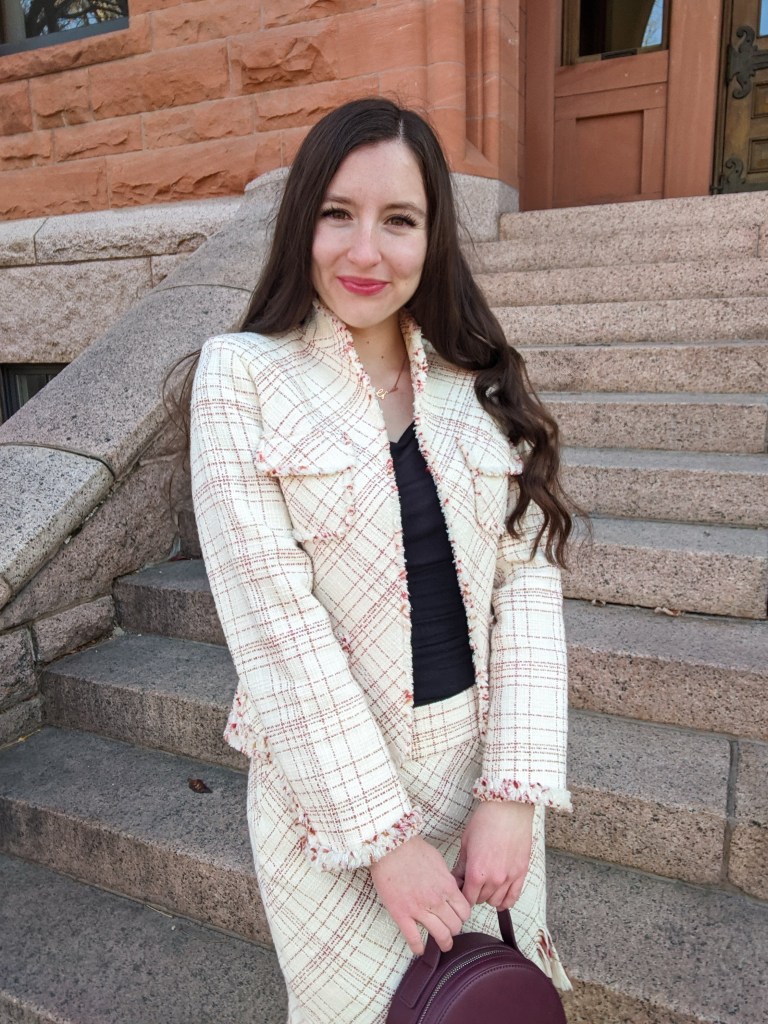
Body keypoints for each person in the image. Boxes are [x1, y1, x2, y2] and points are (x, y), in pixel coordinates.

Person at [189, 97, 574, 1024]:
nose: (366, 251)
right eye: (338, 214)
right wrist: (382, 838)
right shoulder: (242, 375)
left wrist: (513, 793)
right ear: (302, 223)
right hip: (326, 802)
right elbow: (272, 622)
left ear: (433, 238)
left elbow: (526, 586)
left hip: (479, 781)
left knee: (493, 1004)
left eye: (399, 220)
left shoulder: (473, 381)